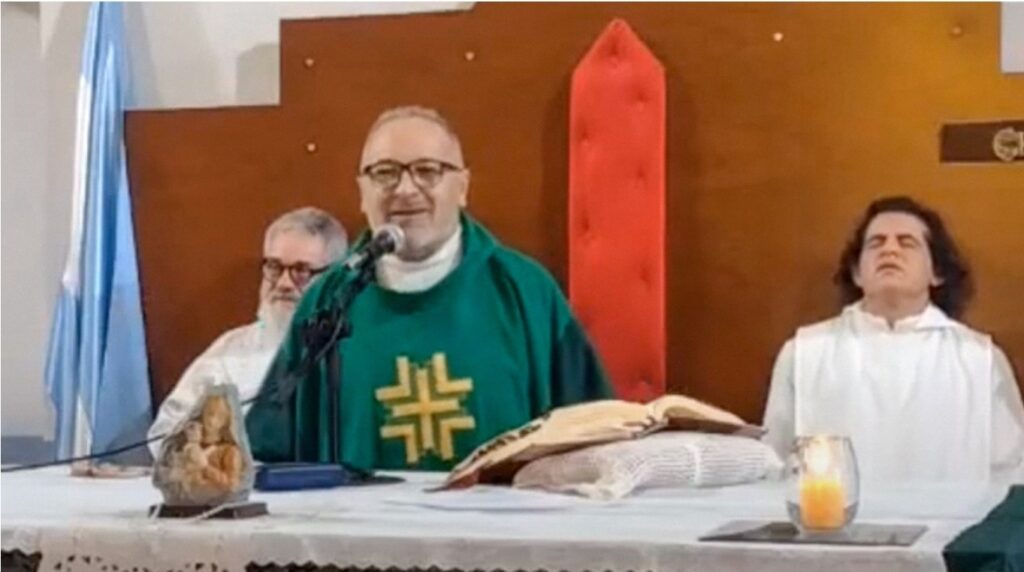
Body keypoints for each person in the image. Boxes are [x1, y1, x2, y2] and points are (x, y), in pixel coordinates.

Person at [246, 106, 613, 471]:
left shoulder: (526, 292)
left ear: (463, 187)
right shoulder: (329, 301)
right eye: (385, 173)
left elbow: (595, 437)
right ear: (362, 191)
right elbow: (271, 453)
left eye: (427, 170)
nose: (406, 189)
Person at [762, 196, 1024, 481]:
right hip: (835, 511)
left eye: (906, 243)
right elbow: (773, 463)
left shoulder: (979, 358)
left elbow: (1012, 469)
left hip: (955, 511)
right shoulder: (805, 352)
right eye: (876, 243)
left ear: (936, 272)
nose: (889, 250)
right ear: (857, 273)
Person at [147, 207, 348, 457]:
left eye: (301, 271)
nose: (284, 284)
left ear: (334, 278)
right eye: (274, 267)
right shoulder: (230, 352)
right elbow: (165, 435)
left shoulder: (355, 350)